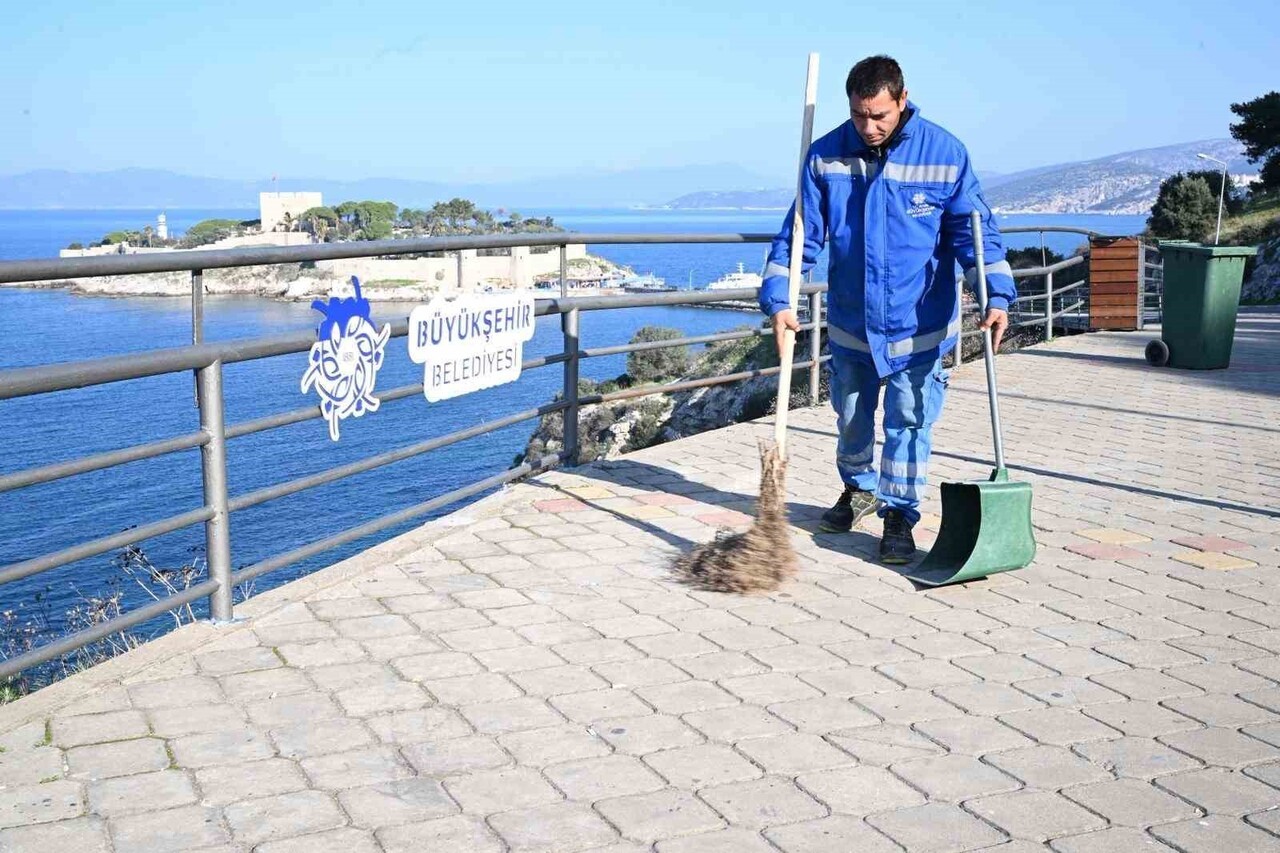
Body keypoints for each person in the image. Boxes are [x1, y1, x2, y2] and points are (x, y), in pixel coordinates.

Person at [759, 55, 1015, 564]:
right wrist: (780, 302)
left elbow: (975, 234)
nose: (869, 127)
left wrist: (996, 297)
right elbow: (799, 236)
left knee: (909, 420)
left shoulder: (945, 153)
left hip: (918, 326)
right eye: (859, 115)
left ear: (901, 100)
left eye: (879, 115)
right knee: (852, 417)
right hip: (853, 323)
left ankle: (899, 514)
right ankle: (859, 489)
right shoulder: (825, 157)